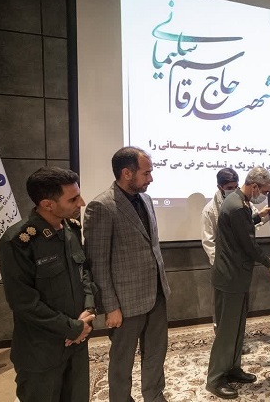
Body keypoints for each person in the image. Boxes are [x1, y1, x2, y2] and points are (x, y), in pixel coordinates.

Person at [0, 167, 95, 402]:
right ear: (47, 204)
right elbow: (24, 303)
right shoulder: (18, 242)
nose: (81, 202)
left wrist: (88, 311)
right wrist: (71, 328)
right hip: (41, 352)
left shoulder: (71, 229)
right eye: (73, 199)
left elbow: (84, 273)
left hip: (77, 344)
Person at [84, 147, 171, 402]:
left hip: (156, 293)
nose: (151, 178)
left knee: (156, 352)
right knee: (122, 360)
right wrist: (111, 307)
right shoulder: (102, 206)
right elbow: (97, 263)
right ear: (127, 173)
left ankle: (154, 396)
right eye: (146, 173)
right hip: (125, 302)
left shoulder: (147, 200)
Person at [206, 166, 270, 399]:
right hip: (230, 277)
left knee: (237, 328)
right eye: (264, 191)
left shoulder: (240, 201)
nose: (264, 195)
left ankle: (232, 369)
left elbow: (239, 226)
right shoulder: (237, 205)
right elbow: (248, 244)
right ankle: (215, 379)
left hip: (236, 276)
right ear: (254, 186)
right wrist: (269, 262)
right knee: (227, 331)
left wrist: (259, 215)